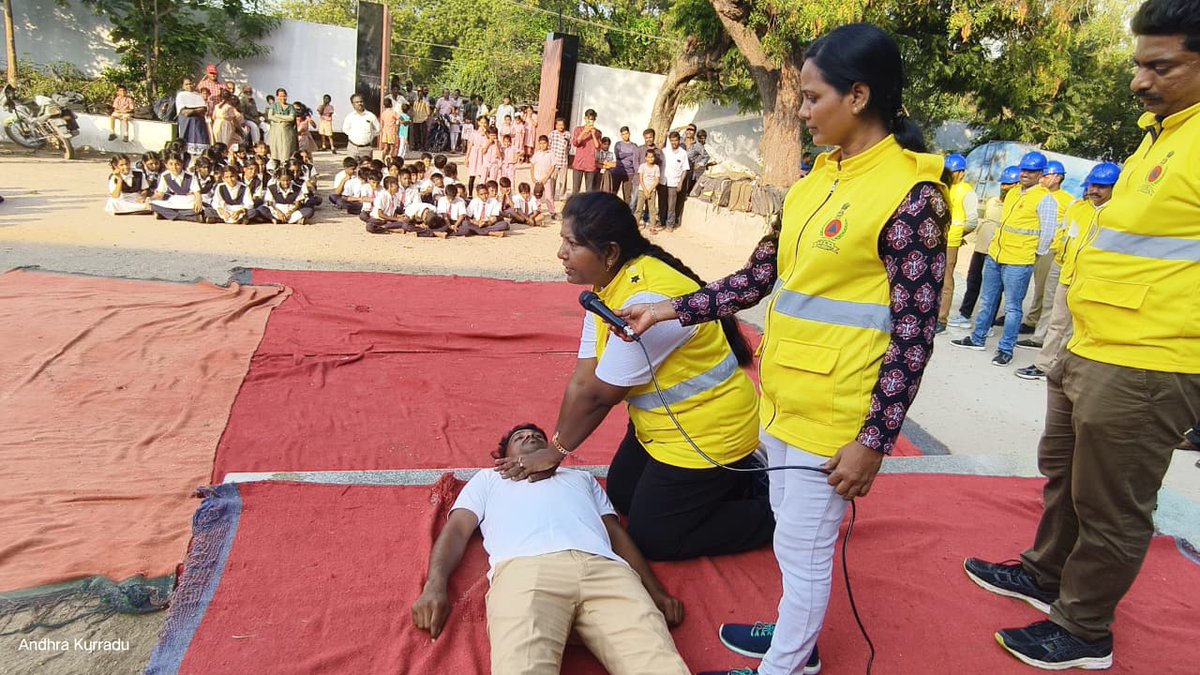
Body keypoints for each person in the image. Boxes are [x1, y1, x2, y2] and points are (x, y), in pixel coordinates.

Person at [614, 23, 949, 675]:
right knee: (791, 532)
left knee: (804, 543)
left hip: (839, 416)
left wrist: (874, 439)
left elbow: (914, 334)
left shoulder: (913, 199)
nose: (800, 110)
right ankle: (797, 633)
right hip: (786, 398)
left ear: (858, 96)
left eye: (812, 96)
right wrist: (669, 308)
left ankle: (788, 662)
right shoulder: (814, 182)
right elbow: (758, 277)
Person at [965, 1, 1200, 669]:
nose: (1139, 81)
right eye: (1137, 65)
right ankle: (1045, 575)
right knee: (1065, 478)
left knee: (1112, 507)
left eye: (1161, 66)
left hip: (1149, 362)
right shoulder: (1165, 134)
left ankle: (1084, 628)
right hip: (1092, 347)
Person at [495, 191, 774, 564]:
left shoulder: (647, 298)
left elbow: (600, 395)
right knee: (622, 496)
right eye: (563, 241)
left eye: (572, 244)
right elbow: (582, 380)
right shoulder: (609, 286)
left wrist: (556, 453)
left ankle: (777, 512)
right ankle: (728, 483)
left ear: (610, 253)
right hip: (662, 429)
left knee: (654, 538)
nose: (561, 253)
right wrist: (553, 448)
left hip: (707, 435)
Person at [412, 423, 690, 674]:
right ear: (504, 455)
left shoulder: (581, 479)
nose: (530, 436)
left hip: (606, 571)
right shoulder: (488, 479)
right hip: (526, 572)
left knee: (658, 663)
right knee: (521, 668)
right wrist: (435, 585)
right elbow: (458, 530)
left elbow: (615, 532)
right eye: (520, 437)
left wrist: (656, 592)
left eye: (537, 436)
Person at [950, 150, 1057, 366]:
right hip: (996, 255)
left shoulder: (1045, 200)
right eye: (1024, 169)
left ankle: (1005, 349)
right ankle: (978, 338)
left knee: (1012, 307)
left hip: (1019, 261)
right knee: (988, 300)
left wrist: (1032, 255)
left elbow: (1047, 234)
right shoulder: (1014, 193)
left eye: (1031, 171)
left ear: (1040, 174)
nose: (1025, 174)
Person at [1015, 163, 1119, 381]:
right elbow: (1066, 235)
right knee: (1057, 322)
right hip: (1066, 272)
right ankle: (1044, 366)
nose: (1094, 191)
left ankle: (1065, 368)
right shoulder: (1079, 209)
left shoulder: (1117, 215)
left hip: (1093, 279)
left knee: (1079, 328)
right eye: (1092, 185)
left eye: (1101, 187)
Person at [952, 167, 1017, 327]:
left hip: (996, 251)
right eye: (1003, 184)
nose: (1004, 187)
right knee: (972, 281)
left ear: (1016, 185)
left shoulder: (1015, 206)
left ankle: (987, 324)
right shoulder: (992, 201)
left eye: (1009, 184)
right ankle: (965, 314)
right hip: (980, 248)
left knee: (992, 291)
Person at [1017, 160, 1073, 343]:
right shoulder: (1037, 195)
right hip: (1031, 245)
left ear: (1058, 178)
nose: (1043, 179)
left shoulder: (1067, 201)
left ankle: (1034, 322)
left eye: (1047, 176)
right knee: (1034, 285)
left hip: (1051, 249)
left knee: (1044, 289)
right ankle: (1032, 317)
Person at [937, 153, 979, 333]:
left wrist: (958, 234)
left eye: (952, 172)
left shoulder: (967, 192)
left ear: (961, 173)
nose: (949, 174)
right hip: (937, 239)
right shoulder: (944, 187)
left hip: (950, 242)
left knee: (946, 280)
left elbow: (972, 221)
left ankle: (941, 318)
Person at [149, 154, 204, 221]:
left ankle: (168, 215)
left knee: (197, 210)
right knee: (153, 205)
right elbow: (160, 194)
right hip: (174, 202)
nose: (174, 167)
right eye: (171, 164)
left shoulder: (190, 176)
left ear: (182, 164)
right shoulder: (165, 176)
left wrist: (198, 201)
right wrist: (150, 199)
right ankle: (187, 217)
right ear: (166, 165)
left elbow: (197, 193)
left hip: (188, 202)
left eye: (177, 164)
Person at [661, 131, 690, 231]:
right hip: (663, 181)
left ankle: (670, 224)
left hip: (674, 182)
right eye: (672, 140)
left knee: (671, 205)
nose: (674, 143)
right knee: (663, 203)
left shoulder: (683, 153)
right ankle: (661, 222)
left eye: (675, 140)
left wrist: (680, 183)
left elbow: (685, 169)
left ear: (679, 140)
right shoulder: (665, 151)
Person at [175, 78, 211, 158]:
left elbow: (204, 109)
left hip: (199, 124)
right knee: (185, 146)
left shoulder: (198, 95)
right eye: (186, 84)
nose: (189, 86)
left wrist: (192, 110)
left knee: (201, 147)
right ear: (183, 86)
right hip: (187, 123)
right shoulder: (181, 95)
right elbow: (185, 112)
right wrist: (197, 110)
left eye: (190, 83)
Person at [571, 109, 602, 194]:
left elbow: (597, 146)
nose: (590, 121)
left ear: (594, 120)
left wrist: (593, 134)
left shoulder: (598, 132)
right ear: (585, 118)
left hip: (590, 164)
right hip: (579, 163)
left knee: (589, 190)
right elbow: (575, 143)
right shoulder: (578, 129)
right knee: (575, 190)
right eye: (588, 119)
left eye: (592, 119)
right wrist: (584, 132)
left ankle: (588, 206)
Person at [343, 94, 381, 160]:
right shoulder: (350, 116)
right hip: (352, 148)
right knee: (352, 167)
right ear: (353, 104)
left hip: (366, 148)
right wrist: (354, 135)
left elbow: (378, 129)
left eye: (361, 101)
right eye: (357, 102)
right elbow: (345, 129)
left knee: (366, 168)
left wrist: (370, 135)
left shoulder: (371, 116)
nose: (360, 103)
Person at [266, 88, 298, 162]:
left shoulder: (290, 107)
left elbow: (291, 118)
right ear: (277, 96)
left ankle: (286, 159)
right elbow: (270, 116)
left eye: (284, 96)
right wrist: (281, 120)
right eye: (280, 96)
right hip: (276, 131)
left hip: (287, 130)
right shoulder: (274, 106)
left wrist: (277, 115)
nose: (282, 98)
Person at [531, 135, 558, 218]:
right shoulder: (537, 154)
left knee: (548, 196)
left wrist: (546, 177)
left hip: (547, 179)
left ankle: (552, 212)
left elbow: (553, 166)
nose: (542, 145)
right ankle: (537, 210)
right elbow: (532, 165)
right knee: (536, 194)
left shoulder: (551, 154)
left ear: (548, 143)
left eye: (544, 143)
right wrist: (533, 177)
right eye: (541, 143)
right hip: (537, 178)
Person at [613, 126, 639, 205]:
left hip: (629, 173)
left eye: (626, 133)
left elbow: (634, 159)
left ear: (629, 133)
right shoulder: (618, 144)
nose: (625, 135)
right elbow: (618, 156)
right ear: (621, 135)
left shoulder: (634, 146)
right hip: (618, 171)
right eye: (623, 134)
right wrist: (629, 155)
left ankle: (626, 212)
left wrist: (636, 173)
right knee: (613, 193)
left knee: (627, 195)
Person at [636, 151, 661, 231]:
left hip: (652, 191)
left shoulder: (656, 167)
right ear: (646, 158)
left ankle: (652, 226)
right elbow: (641, 179)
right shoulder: (642, 166)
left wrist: (649, 191)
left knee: (652, 209)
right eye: (648, 157)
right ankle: (635, 225)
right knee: (639, 208)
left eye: (652, 157)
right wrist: (645, 190)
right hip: (642, 190)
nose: (650, 158)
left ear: (654, 158)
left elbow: (656, 180)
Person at [548, 117, 572, 203]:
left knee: (563, 180)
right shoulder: (552, 134)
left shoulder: (567, 134)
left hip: (563, 160)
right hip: (553, 162)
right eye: (559, 125)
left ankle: (562, 196)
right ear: (556, 125)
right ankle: (551, 196)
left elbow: (569, 147)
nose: (561, 126)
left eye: (562, 125)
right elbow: (548, 146)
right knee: (552, 179)